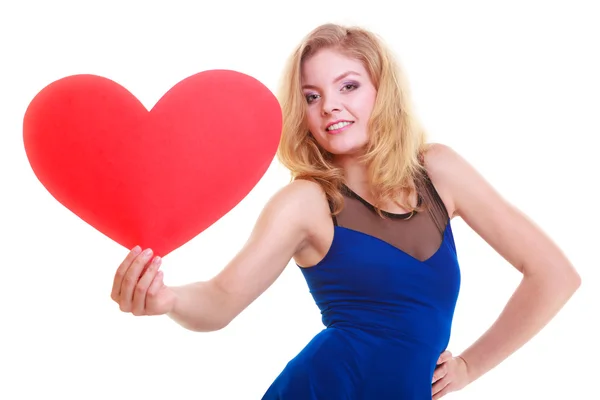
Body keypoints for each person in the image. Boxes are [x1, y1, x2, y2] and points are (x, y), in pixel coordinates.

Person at [110, 23, 581, 399]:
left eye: (348, 86)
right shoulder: (305, 203)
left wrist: (470, 367)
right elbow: (220, 300)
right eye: (312, 96)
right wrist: (168, 300)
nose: (329, 107)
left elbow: (554, 274)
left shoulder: (438, 172)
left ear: (382, 91)